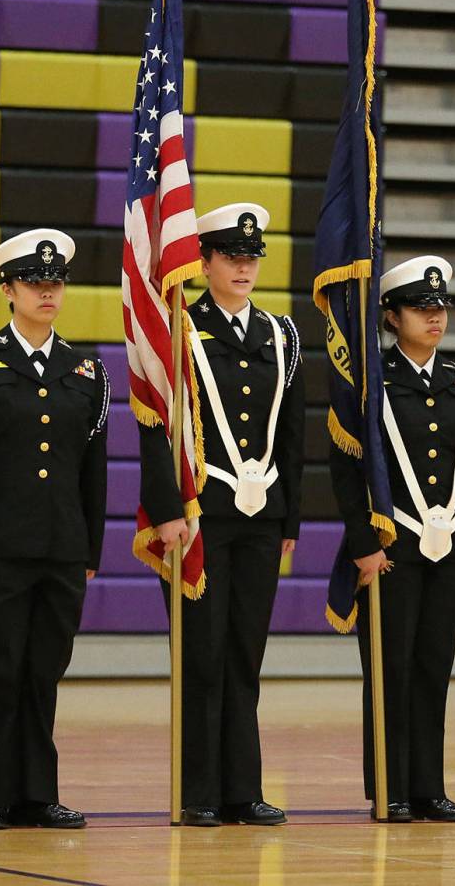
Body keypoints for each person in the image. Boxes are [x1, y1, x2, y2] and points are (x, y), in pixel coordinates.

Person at [0, 228, 109, 830]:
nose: (48, 291)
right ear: (8, 289)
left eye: (55, 282)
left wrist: (90, 548)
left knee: (44, 670)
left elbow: (92, 469)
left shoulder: (86, 370)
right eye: (35, 282)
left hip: (61, 547)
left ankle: (37, 793)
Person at [138, 203, 305, 828]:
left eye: (251, 257)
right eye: (231, 257)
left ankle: (243, 790)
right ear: (202, 262)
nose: (243, 267)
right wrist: (163, 510)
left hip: (262, 519)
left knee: (244, 656)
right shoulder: (177, 332)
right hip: (198, 518)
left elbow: (292, 433)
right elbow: (153, 425)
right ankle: (199, 791)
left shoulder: (281, 336)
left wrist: (290, 525)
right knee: (201, 656)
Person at [330, 256, 455, 823]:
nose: (434, 318)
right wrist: (362, 543)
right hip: (390, 550)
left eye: (440, 308)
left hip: (447, 552)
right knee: (390, 668)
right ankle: (390, 786)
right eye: (422, 310)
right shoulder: (370, 381)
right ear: (392, 317)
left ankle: (429, 786)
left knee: (433, 668)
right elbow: (346, 470)